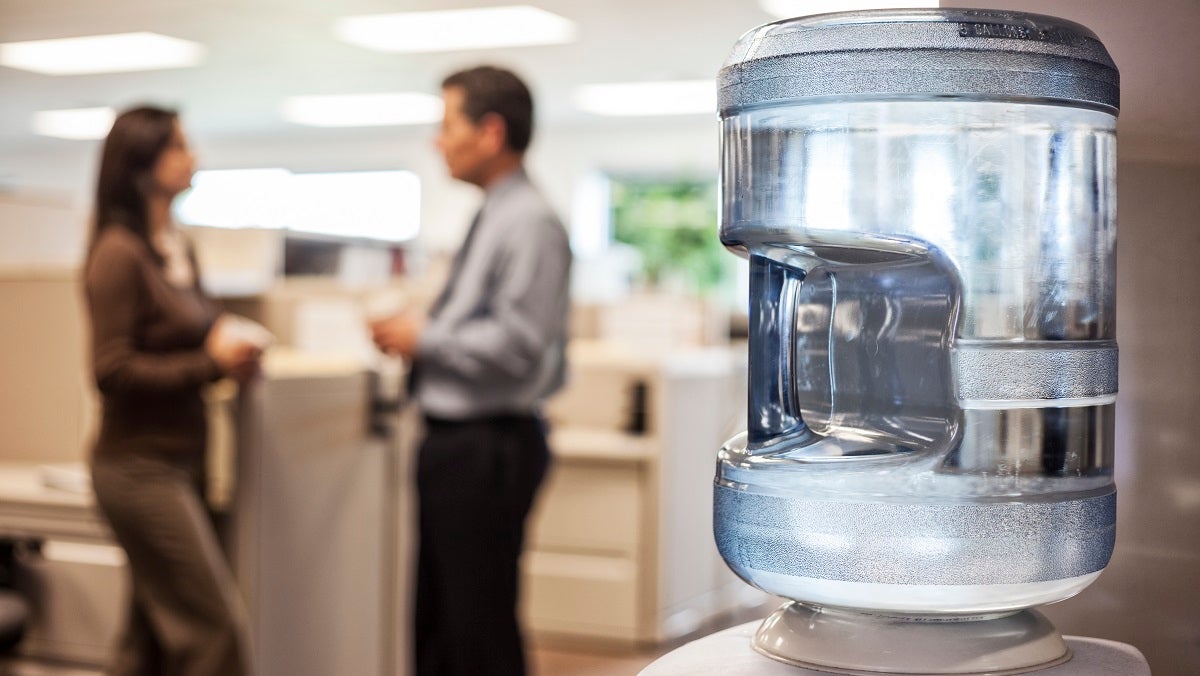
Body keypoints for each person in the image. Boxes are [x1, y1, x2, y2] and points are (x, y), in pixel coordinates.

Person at [371, 66, 572, 676]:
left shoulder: (529, 220)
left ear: (489, 132)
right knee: (442, 623)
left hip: (487, 445)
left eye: (446, 125)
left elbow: (518, 343)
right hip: (460, 443)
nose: (437, 141)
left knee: (476, 628)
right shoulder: (496, 213)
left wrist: (423, 337)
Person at [83, 105, 260, 676]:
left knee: (148, 643)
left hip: (185, 459)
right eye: (180, 146)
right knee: (216, 630)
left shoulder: (176, 247)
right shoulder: (119, 254)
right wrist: (208, 363)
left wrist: (229, 349)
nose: (194, 157)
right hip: (138, 468)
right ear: (143, 163)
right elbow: (110, 371)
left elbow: (198, 334)